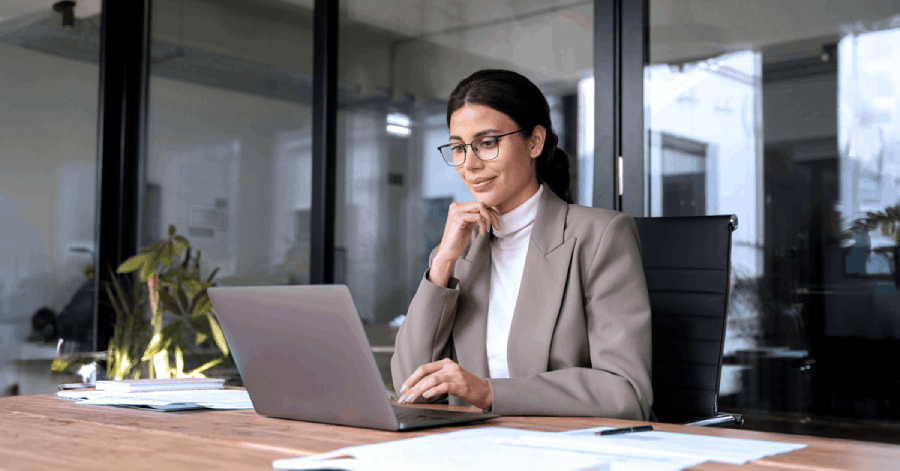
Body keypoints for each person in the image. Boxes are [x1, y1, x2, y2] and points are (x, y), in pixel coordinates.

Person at [390, 69, 653, 420]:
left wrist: (488, 392)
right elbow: (410, 386)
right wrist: (442, 264)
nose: (469, 164)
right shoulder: (459, 252)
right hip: (476, 449)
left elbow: (627, 393)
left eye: (487, 143)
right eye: (457, 148)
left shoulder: (600, 236)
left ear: (534, 142)